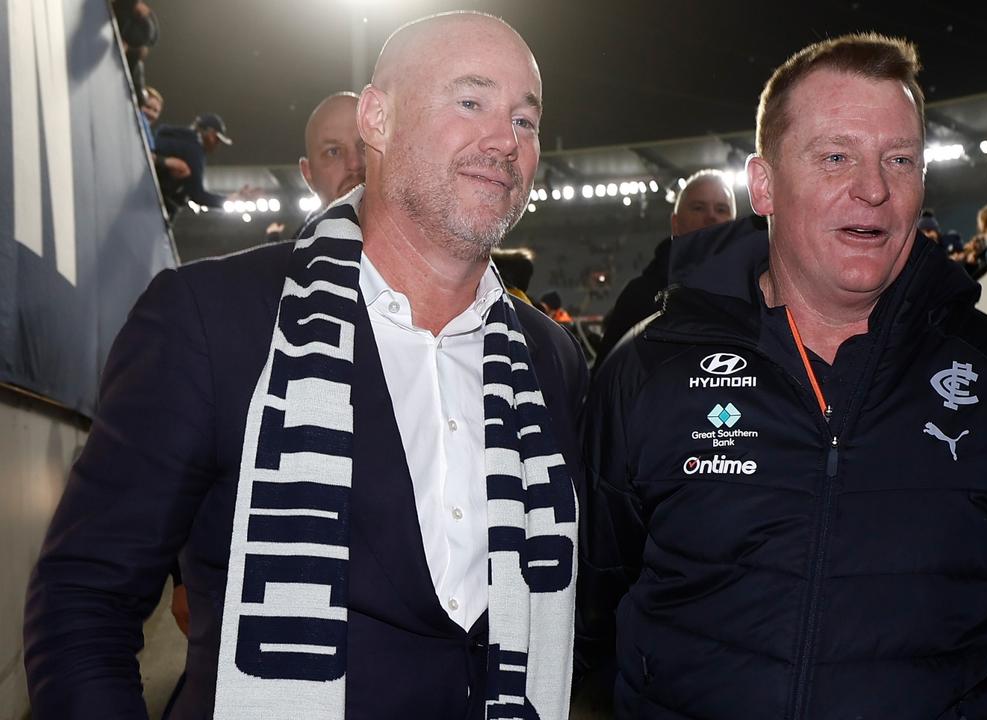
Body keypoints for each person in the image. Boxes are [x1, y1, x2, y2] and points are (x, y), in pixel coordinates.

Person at [579, 31, 987, 719]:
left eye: (900, 159)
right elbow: (583, 624)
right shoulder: (648, 372)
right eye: (836, 157)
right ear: (764, 185)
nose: (873, 189)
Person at [25, 12, 585, 720]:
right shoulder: (209, 318)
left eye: (527, 121)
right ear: (376, 120)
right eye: (471, 102)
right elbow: (83, 601)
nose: (506, 141)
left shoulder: (550, 359)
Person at [593, 169, 736, 367]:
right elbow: (606, 385)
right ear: (675, 224)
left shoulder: (755, 297)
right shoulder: (639, 297)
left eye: (721, 209)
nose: (711, 217)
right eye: (698, 207)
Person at [267, 92, 367, 242]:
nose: (354, 164)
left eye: (366, 147)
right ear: (308, 174)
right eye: (333, 152)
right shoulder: (286, 263)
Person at [152, 113, 237, 216]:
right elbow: (198, 195)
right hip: (152, 201)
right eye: (216, 138)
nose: (217, 144)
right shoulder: (194, 150)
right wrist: (228, 199)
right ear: (208, 132)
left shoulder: (170, 134)